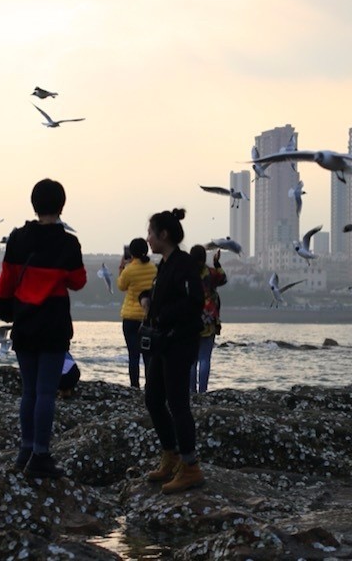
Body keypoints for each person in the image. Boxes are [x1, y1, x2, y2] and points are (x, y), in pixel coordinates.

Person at [0, 179, 86, 478]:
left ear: (33, 204)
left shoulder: (18, 239)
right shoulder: (68, 243)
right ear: (62, 206)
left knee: (29, 391)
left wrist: (5, 308)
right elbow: (78, 281)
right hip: (54, 322)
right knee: (47, 391)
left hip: (25, 321)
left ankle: (25, 450)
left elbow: (6, 279)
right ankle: (41, 456)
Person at [139, 208, 205, 494]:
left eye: (151, 233)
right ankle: (171, 454)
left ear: (163, 235)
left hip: (180, 343)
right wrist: (147, 301)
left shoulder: (184, 264)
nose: (148, 238)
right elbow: (164, 296)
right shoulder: (165, 264)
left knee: (178, 404)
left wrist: (163, 315)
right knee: (153, 399)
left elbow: (194, 302)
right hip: (163, 343)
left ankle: (190, 467)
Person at [117, 238, 157, 388]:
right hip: (147, 317)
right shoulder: (153, 268)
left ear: (131, 253)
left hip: (130, 317)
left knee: (133, 355)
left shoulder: (129, 270)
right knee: (148, 355)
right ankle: (150, 385)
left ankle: (134, 386)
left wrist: (122, 267)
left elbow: (121, 286)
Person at [189, 245, 227, 394]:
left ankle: (191, 392)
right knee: (205, 358)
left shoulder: (186, 274)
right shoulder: (211, 273)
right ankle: (203, 391)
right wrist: (217, 263)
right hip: (209, 318)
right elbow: (223, 278)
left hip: (190, 318)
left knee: (191, 360)